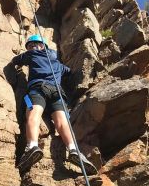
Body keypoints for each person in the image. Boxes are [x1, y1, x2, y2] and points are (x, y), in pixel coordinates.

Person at [11, 34, 97, 174]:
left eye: (33, 45)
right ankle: (73, 149)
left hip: (38, 88)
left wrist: (19, 61)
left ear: (41, 46)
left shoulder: (31, 55)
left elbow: (15, 61)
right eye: (30, 46)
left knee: (34, 114)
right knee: (62, 121)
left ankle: (32, 145)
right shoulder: (57, 63)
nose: (32, 47)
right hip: (57, 92)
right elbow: (69, 72)